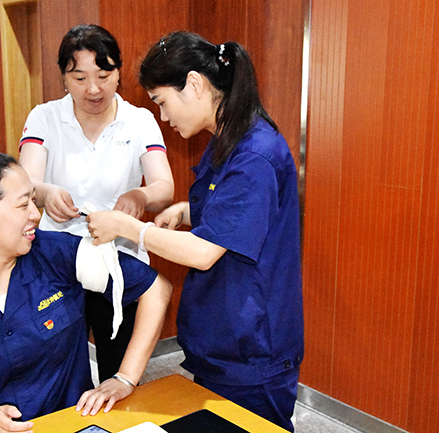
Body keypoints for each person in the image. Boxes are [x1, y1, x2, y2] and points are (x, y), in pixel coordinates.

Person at [86, 31, 304, 432]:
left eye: (162, 102)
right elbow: (233, 212)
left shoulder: (254, 154)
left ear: (195, 84)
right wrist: (187, 211)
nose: (164, 117)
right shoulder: (226, 140)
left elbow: (205, 251)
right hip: (222, 337)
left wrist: (130, 228)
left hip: (252, 347)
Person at [0, 151, 172, 433]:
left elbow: (156, 288)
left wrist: (125, 378)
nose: (35, 213)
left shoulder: (59, 254)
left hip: (71, 424)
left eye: (33, 199)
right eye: (22, 205)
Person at [18, 24, 174, 383]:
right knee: (56, 365)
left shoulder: (139, 120)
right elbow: (27, 183)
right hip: (56, 261)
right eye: (79, 78)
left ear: (118, 73)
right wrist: (46, 193)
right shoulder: (44, 117)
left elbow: (164, 186)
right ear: (63, 78)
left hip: (119, 260)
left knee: (118, 366)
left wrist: (141, 195)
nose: (93, 89)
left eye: (104, 76)